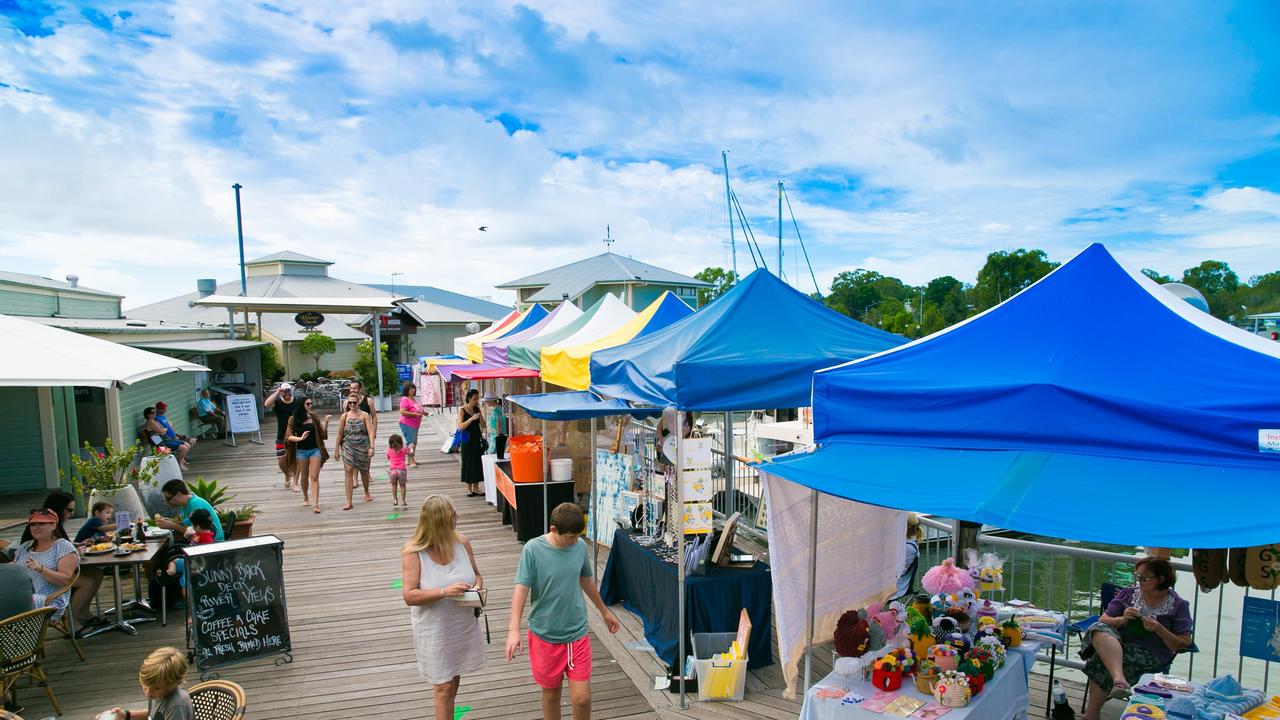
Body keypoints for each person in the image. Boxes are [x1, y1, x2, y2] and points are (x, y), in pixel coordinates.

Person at [506, 502, 621, 720]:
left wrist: (604, 611)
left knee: (582, 698)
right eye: (570, 537)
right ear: (553, 530)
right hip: (544, 634)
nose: (575, 541)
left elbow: (586, 580)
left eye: (578, 536)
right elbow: (521, 589)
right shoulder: (533, 549)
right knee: (551, 694)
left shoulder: (578, 547)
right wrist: (514, 630)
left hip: (576, 632)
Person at [402, 495, 487, 720]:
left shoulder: (462, 542)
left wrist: (476, 587)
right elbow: (409, 595)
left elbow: (477, 575)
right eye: (452, 515)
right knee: (444, 688)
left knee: (453, 680)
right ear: (439, 521)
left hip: (461, 625)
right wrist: (444, 592)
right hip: (434, 630)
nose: (457, 517)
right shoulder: (414, 552)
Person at [1080, 557, 1193, 720]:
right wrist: (1123, 619)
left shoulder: (1178, 605)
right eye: (1137, 576)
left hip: (1151, 653)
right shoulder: (1128, 594)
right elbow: (1104, 620)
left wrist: (1159, 629)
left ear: (1161, 579)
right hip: (1117, 645)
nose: (1138, 580)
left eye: (1144, 578)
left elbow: (1183, 643)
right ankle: (1119, 679)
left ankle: (1091, 714)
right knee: (1098, 628)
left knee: (1099, 659)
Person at [21, 490, 101, 630]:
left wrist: (76, 546)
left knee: (97, 573)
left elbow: (58, 544)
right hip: (41, 582)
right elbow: (51, 549)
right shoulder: (38, 533)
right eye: (69, 510)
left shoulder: (54, 532)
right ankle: (71, 620)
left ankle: (83, 612)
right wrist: (76, 551)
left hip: (45, 580)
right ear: (59, 508)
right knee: (89, 580)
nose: (70, 514)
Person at [100, 646, 194, 720]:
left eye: (156, 688)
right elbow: (155, 714)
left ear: (173, 684)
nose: (148, 692)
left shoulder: (176, 705)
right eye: (145, 686)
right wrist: (125, 715)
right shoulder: (158, 694)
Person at [14, 510, 78, 616]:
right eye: (33, 524)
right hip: (20, 594)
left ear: (53, 525)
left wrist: (41, 568)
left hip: (48, 600)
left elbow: (64, 580)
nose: (35, 527)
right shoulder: (25, 546)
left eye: (41, 523)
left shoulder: (62, 546)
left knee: (12, 601)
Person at [285, 398, 329, 514]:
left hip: (315, 450)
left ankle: (315, 504)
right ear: (301, 405)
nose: (310, 405)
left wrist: (326, 423)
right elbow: (288, 437)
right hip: (301, 451)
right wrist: (300, 438)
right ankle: (305, 497)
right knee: (304, 477)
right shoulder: (293, 419)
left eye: (311, 403)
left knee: (314, 477)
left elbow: (322, 434)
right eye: (308, 404)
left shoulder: (313, 416)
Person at [336, 393, 376, 510]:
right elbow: (339, 433)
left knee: (364, 470)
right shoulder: (344, 416)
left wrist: (371, 447)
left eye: (354, 402)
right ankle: (349, 501)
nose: (352, 404)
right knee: (348, 470)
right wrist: (336, 450)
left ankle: (366, 491)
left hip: (362, 445)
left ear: (358, 403)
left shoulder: (364, 415)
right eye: (350, 403)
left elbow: (370, 432)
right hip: (348, 445)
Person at [155, 479, 225, 542]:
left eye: (168, 498)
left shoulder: (195, 505)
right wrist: (172, 521)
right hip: (200, 542)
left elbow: (195, 532)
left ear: (179, 494)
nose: (167, 502)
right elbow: (188, 522)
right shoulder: (183, 504)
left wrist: (173, 525)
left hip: (211, 543)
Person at [265, 383, 301, 490]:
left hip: (295, 434)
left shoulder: (296, 401)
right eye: (284, 391)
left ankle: (295, 482)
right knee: (281, 461)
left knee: (295, 459)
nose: (286, 393)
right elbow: (266, 404)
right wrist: (277, 392)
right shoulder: (278, 402)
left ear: (291, 391)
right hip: (281, 435)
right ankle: (287, 474)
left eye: (288, 390)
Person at [165, 509, 216, 582]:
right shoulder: (201, 535)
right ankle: (172, 570)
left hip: (195, 564)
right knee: (174, 561)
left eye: (193, 525)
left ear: (198, 526)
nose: (192, 526)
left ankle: (185, 590)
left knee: (183, 575)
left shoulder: (205, 539)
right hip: (190, 560)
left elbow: (205, 557)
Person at [457, 389, 485, 497]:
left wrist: (480, 416)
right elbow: (460, 426)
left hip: (476, 440)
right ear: (469, 398)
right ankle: (469, 488)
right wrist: (472, 419)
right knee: (468, 463)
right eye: (474, 399)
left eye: (477, 399)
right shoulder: (462, 410)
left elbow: (483, 425)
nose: (476, 401)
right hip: (467, 440)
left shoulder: (477, 409)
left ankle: (476, 488)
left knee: (477, 463)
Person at [894, 513, 923, 601]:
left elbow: (898, 571)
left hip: (898, 585)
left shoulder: (908, 548)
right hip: (894, 580)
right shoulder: (905, 543)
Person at [399, 382, 425, 468]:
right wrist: (415, 415)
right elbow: (402, 412)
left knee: (414, 442)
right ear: (406, 390)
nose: (413, 390)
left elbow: (417, 410)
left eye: (414, 388)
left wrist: (425, 413)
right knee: (411, 442)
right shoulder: (405, 399)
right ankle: (410, 461)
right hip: (407, 423)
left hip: (415, 424)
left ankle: (411, 459)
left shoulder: (413, 399)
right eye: (411, 388)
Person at [388, 434, 409, 508]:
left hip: (393, 471)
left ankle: (395, 500)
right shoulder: (404, 449)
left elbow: (388, 457)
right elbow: (410, 453)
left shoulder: (389, 450)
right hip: (401, 470)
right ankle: (403, 501)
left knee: (394, 485)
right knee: (402, 486)